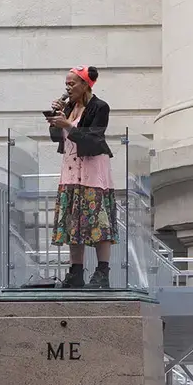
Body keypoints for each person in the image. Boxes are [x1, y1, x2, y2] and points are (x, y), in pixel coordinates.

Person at [46, 65, 116, 289]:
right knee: (73, 221)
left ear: (86, 84)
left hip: (92, 170)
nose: (68, 87)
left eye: (72, 83)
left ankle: (102, 271)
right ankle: (76, 272)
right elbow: (57, 138)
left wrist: (67, 125)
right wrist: (57, 120)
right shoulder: (68, 108)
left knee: (97, 220)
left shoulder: (99, 107)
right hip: (70, 170)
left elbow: (94, 139)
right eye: (66, 83)